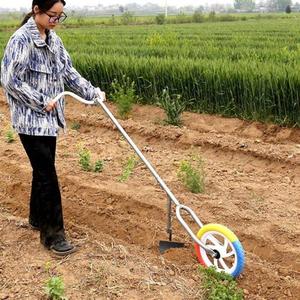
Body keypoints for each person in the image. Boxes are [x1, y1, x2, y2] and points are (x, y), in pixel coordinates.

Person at [0, 0, 105, 256]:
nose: (56, 21)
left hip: (50, 119)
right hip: (30, 119)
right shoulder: (21, 39)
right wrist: (39, 100)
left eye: (60, 16)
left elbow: (69, 73)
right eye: (52, 15)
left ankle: (37, 218)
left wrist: (92, 93)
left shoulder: (54, 40)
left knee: (42, 170)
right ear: (37, 10)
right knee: (48, 174)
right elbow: (9, 79)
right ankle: (53, 236)